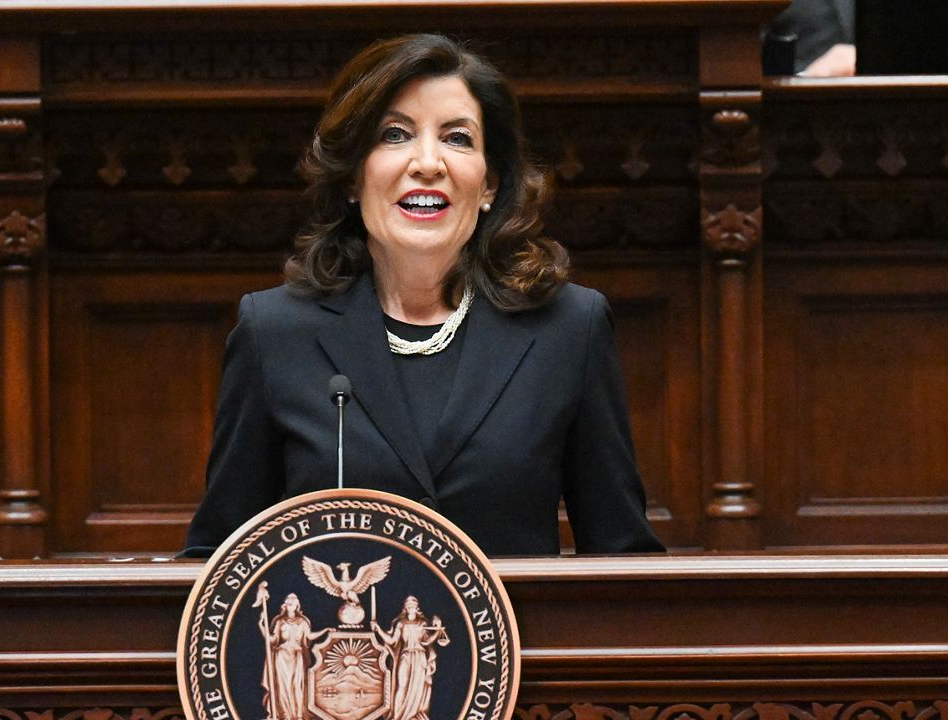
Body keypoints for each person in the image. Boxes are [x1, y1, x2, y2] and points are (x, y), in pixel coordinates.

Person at [182, 34, 663, 558]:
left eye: (457, 138)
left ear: (488, 184)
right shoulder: (273, 331)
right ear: (351, 177)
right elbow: (217, 568)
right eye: (394, 135)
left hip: (517, 641)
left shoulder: (569, 327)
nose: (428, 162)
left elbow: (621, 560)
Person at [373, 596, 447, 720]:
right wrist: (378, 629)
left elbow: (427, 641)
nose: (411, 608)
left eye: (413, 605)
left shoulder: (422, 623)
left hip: (419, 657)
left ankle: (413, 715)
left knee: (418, 687)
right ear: (405, 608)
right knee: (402, 685)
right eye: (409, 606)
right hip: (406, 656)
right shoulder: (401, 623)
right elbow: (391, 640)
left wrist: (438, 631)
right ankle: (397, 716)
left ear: (417, 608)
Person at [259, 592, 327, 720]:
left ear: (297, 605)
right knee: (283, 686)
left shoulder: (302, 621)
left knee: (297, 685)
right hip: (282, 655)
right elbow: (272, 640)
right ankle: (284, 715)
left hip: (297, 655)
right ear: (285, 605)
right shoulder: (279, 622)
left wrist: (326, 631)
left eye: (293, 602)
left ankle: (299, 715)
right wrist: (262, 625)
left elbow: (310, 636)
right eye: (288, 602)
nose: (290, 605)